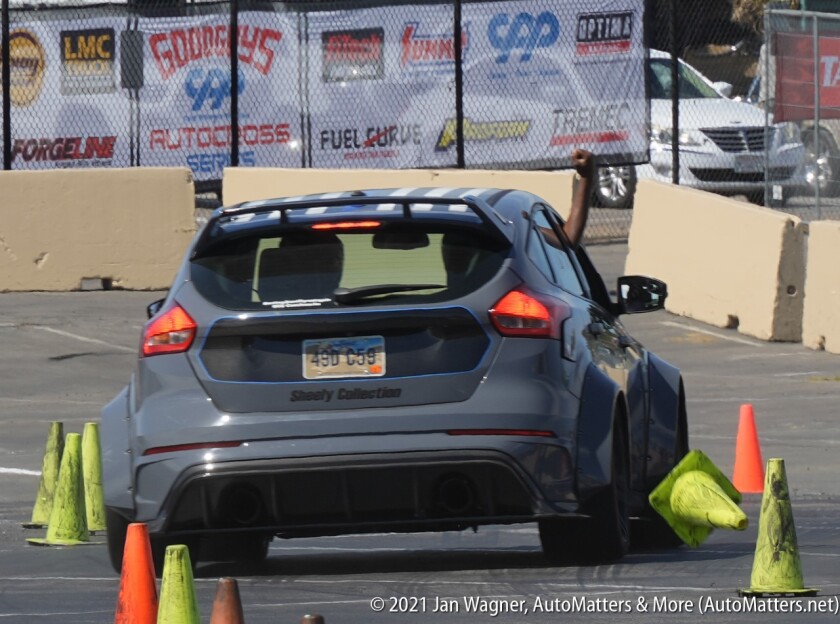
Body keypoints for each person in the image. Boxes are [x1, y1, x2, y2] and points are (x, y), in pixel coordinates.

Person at [562, 147, 596, 248]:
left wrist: (585, 177)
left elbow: (568, 238)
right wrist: (586, 177)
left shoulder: (521, 227)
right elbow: (568, 238)